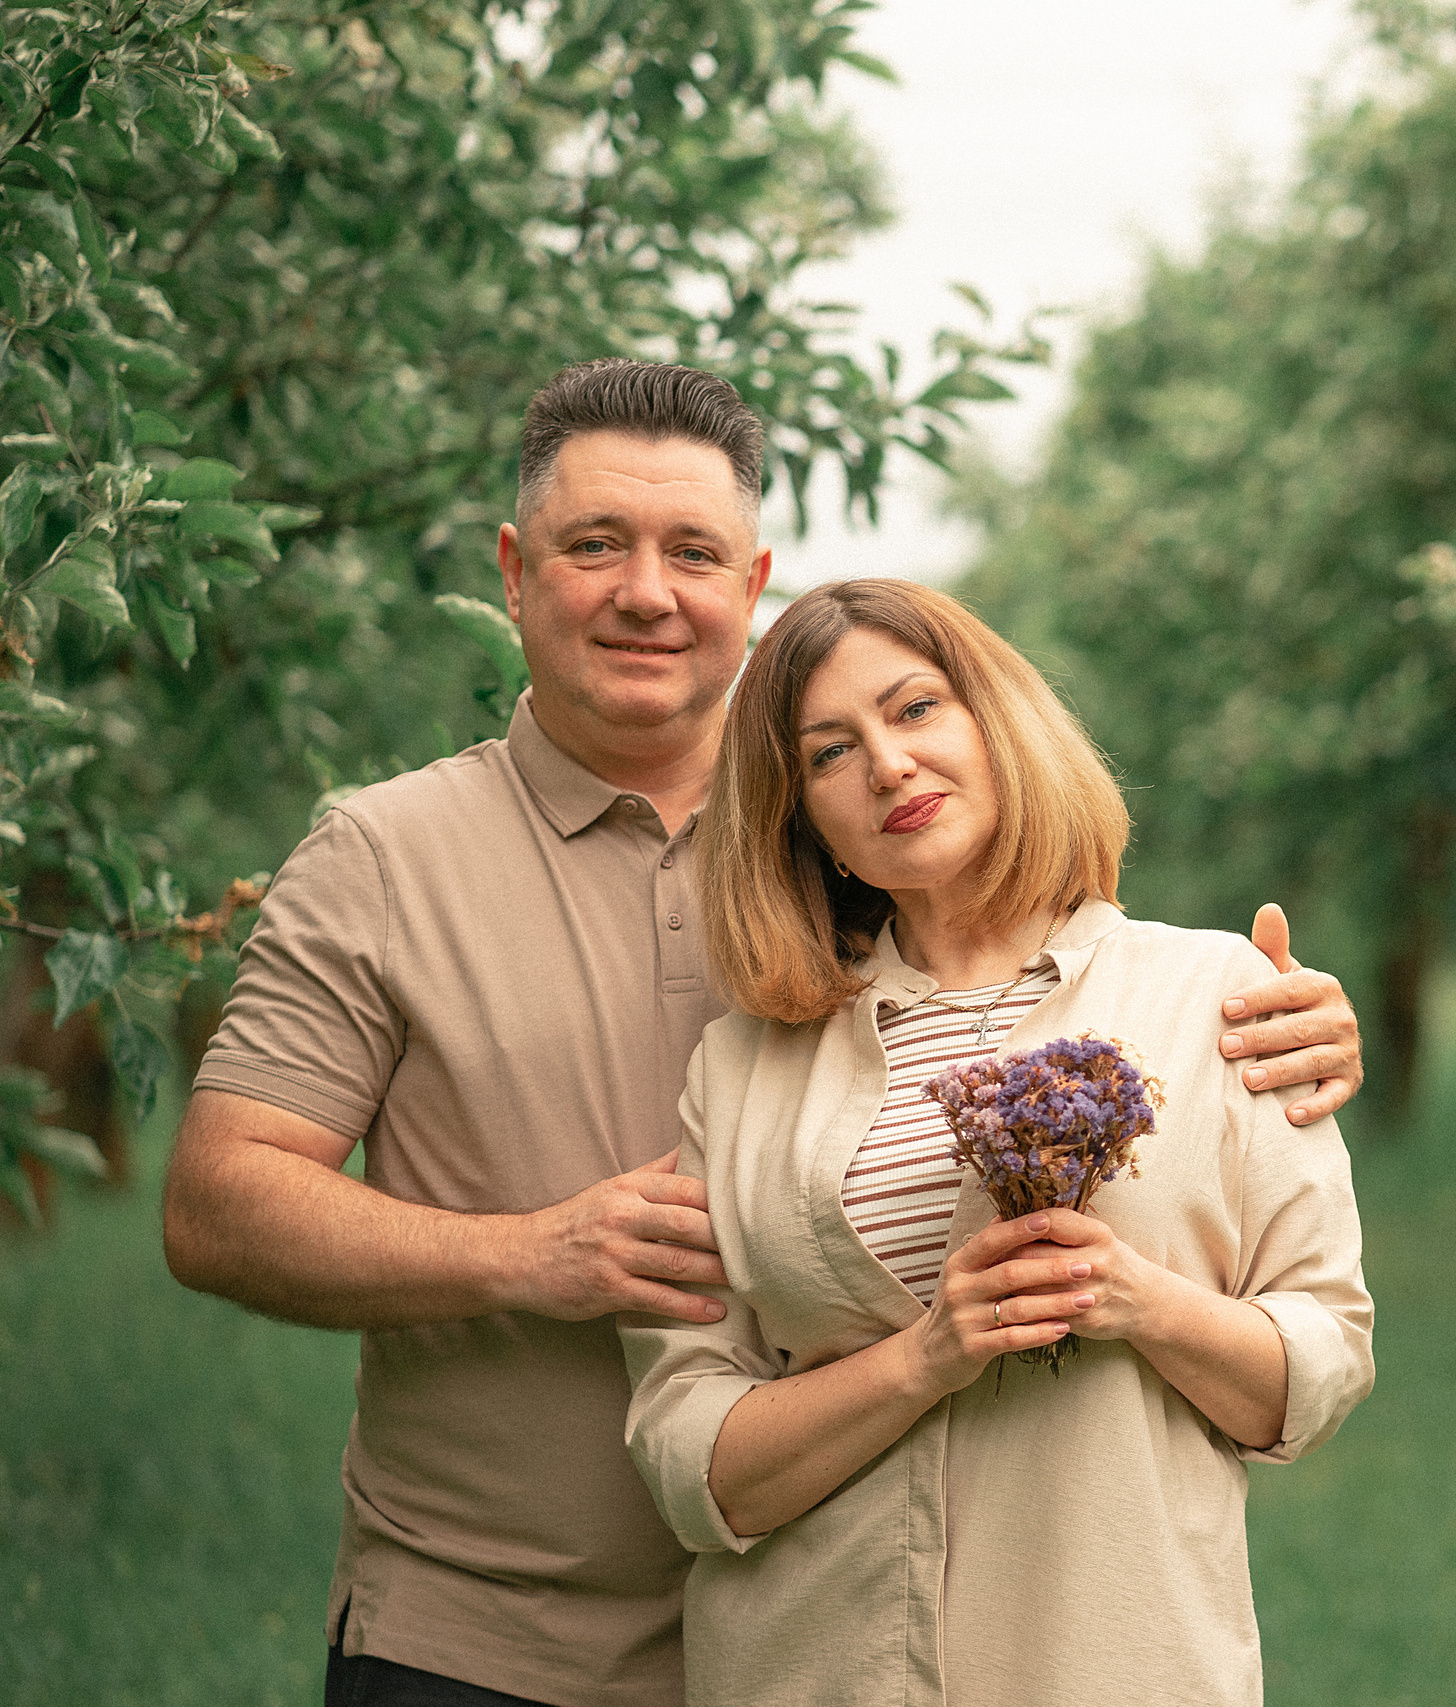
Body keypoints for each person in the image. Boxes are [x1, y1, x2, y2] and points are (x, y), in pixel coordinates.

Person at [159, 360, 1366, 1707]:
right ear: (514, 570)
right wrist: (532, 1253)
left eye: (693, 550)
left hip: (830, 1639)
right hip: (493, 1635)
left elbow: (1057, 971)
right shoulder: (386, 857)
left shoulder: (857, 845)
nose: (645, 590)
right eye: (593, 544)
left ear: (752, 581)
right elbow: (217, 1203)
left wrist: (1266, 1031)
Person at [619, 578, 1372, 1707]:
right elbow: (687, 1459)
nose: (887, 766)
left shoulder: (1217, 998)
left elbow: (1319, 1367)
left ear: (994, 721)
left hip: (1111, 1663)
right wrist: (927, 1356)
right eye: (830, 753)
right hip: (808, 1668)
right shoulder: (740, 1069)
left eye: (915, 709)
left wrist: (1134, 1298)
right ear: (800, 816)